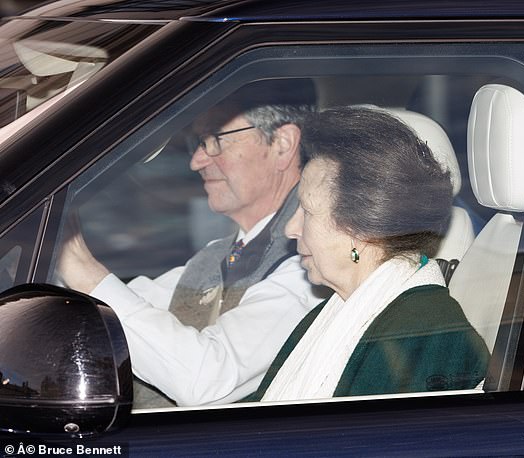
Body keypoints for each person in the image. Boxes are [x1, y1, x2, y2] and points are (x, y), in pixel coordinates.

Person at [58, 80, 325, 407]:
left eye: (215, 139)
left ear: (283, 144)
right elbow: (129, 306)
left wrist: (81, 266)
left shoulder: (308, 264)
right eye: (199, 142)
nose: (197, 161)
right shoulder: (219, 256)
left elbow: (208, 380)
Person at [248, 106, 490, 402]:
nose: (290, 228)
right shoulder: (331, 313)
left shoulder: (422, 337)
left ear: (361, 231)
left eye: (306, 211)